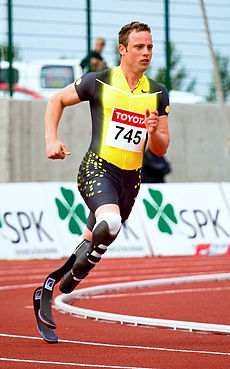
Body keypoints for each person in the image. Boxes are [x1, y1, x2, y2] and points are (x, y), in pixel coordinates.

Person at [44, 21, 170, 294]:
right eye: (139, 47)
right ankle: (74, 269)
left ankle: (75, 272)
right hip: (97, 168)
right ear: (122, 50)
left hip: (131, 179)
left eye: (150, 47)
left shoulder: (158, 92)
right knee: (111, 222)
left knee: (104, 233)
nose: (146, 52)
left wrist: (154, 132)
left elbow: (161, 149)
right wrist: (51, 139)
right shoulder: (98, 81)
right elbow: (57, 100)